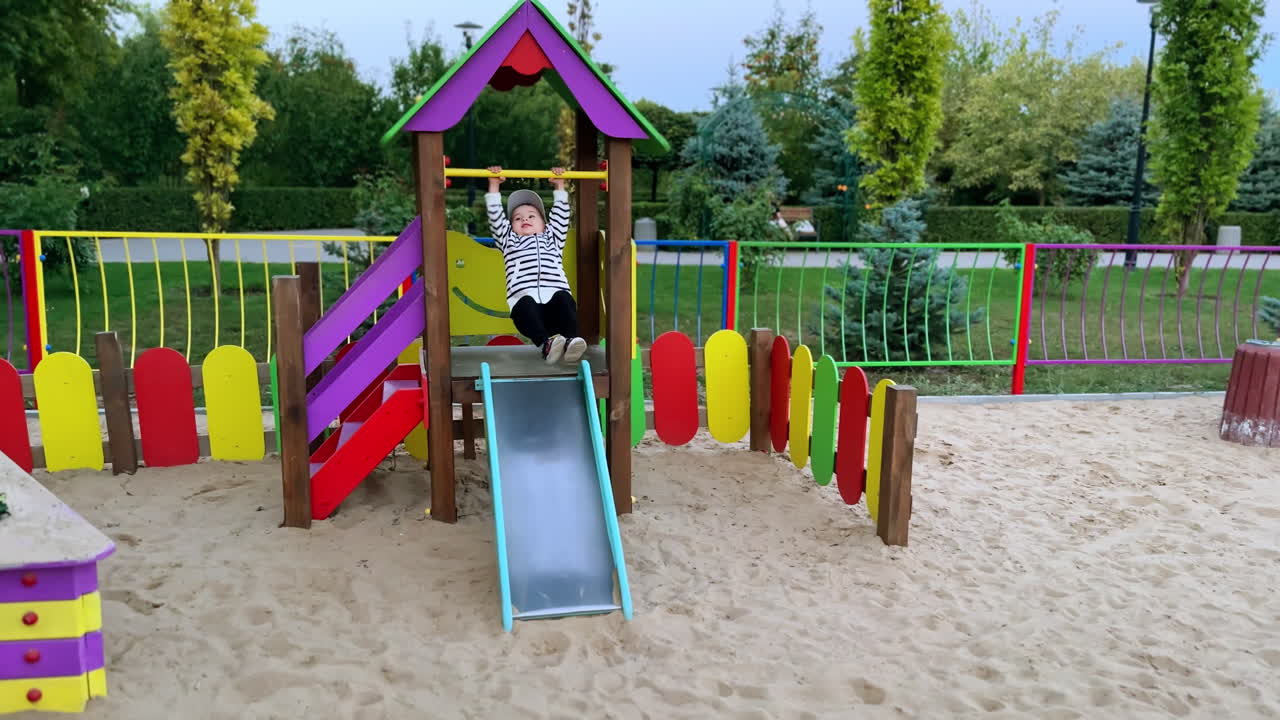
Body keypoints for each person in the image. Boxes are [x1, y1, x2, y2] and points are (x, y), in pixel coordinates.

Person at [485, 165, 587, 365]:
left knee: (564, 298)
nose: (525, 219)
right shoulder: (508, 240)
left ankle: (570, 341)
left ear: (544, 224)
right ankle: (546, 346)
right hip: (528, 307)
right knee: (525, 304)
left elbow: (561, 215)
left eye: (532, 215)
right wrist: (494, 185)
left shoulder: (553, 238)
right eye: (517, 218)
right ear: (511, 226)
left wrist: (559, 185)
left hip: (554, 304)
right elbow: (496, 217)